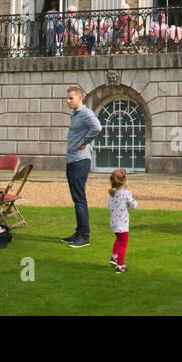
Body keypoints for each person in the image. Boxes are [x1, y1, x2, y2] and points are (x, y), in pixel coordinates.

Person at [61, 86, 102, 248]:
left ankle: (84, 236)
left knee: (79, 199)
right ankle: (79, 232)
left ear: (80, 98)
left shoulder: (86, 113)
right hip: (72, 159)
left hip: (80, 161)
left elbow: (97, 127)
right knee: (76, 198)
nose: (68, 101)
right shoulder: (75, 114)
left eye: (71, 98)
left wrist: (84, 142)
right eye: (68, 98)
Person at [107, 168, 138, 273]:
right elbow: (133, 205)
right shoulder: (126, 193)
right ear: (124, 181)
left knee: (118, 240)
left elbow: (110, 207)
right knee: (123, 244)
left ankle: (114, 257)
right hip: (122, 224)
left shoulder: (112, 194)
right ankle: (120, 266)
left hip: (114, 223)